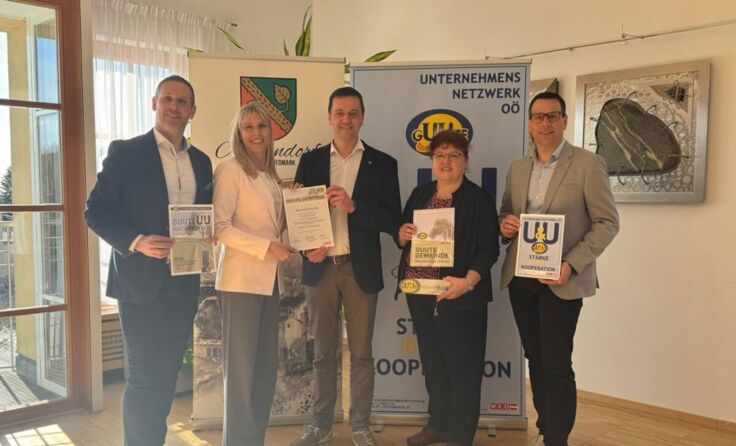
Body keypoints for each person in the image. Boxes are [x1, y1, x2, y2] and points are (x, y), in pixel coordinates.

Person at [85, 75, 212, 446]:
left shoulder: (202, 162)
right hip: (139, 283)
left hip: (183, 283)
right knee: (143, 378)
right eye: (167, 99)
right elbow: (95, 212)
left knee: (167, 374)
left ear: (192, 111)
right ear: (154, 104)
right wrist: (137, 242)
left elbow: (204, 215)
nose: (174, 106)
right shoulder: (126, 153)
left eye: (182, 101)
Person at [499, 92, 620, 446]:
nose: (545, 123)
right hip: (522, 276)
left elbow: (607, 223)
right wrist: (505, 224)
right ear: (529, 124)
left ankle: (557, 438)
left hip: (562, 278)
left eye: (553, 116)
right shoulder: (518, 168)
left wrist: (571, 264)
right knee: (535, 358)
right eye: (538, 117)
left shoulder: (587, 164)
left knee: (556, 362)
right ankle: (546, 426)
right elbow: (506, 212)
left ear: (565, 121)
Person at [289, 87, 401, 446]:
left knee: (362, 354)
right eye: (339, 112)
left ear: (363, 117)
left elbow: (393, 220)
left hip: (359, 270)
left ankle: (361, 426)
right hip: (320, 270)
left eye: (353, 113)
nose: (346, 120)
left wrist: (354, 207)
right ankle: (320, 425)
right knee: (323, 353)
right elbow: (298, 217)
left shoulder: (383, 164)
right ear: (329, 117)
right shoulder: (310, 161)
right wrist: (307, 248)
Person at [395, 130, 499, 446]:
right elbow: (403, 234)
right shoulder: (421, 193)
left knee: (463, 367)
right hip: (421, 294)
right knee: (434, 364)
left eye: (454, 155)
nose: (446, 161)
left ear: (466, 161)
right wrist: (402, 234)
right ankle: (438, 424)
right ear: (432, 160)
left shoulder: (478, 199)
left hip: (460, 296)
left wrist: (468, 282)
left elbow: (489, 248)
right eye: (439, 155)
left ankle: (460, 434)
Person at [213, 101, 297, 445]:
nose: (256, 133)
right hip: (240, 282)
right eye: (248, 127)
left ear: (271, 131)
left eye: (262, 126)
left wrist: (294, 205)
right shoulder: (230, 169)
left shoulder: (271, 176)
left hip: (269, 282)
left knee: (263, 373)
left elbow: (274, 226)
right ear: (239, 132)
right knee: (241, 377)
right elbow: (220, 228)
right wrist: (268, 248)